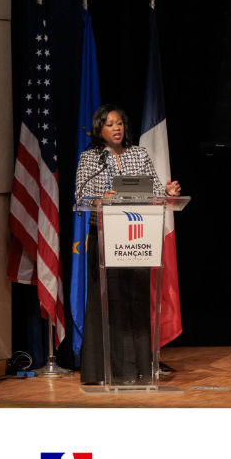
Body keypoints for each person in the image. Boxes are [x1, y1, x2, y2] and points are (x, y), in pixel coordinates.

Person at [73, 105, 181, 384]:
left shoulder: (138, 154)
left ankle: (139, 368)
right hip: (106, 238)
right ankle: (105, 370)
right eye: (110, 124)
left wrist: (167, 193)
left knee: (135, 300)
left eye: (120, 123)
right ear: (99, 130)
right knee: (108, 301)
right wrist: (99, 200)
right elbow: (80, 198)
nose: (117, 128)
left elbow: (155, 191)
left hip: (137, 237)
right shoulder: (90, 159)